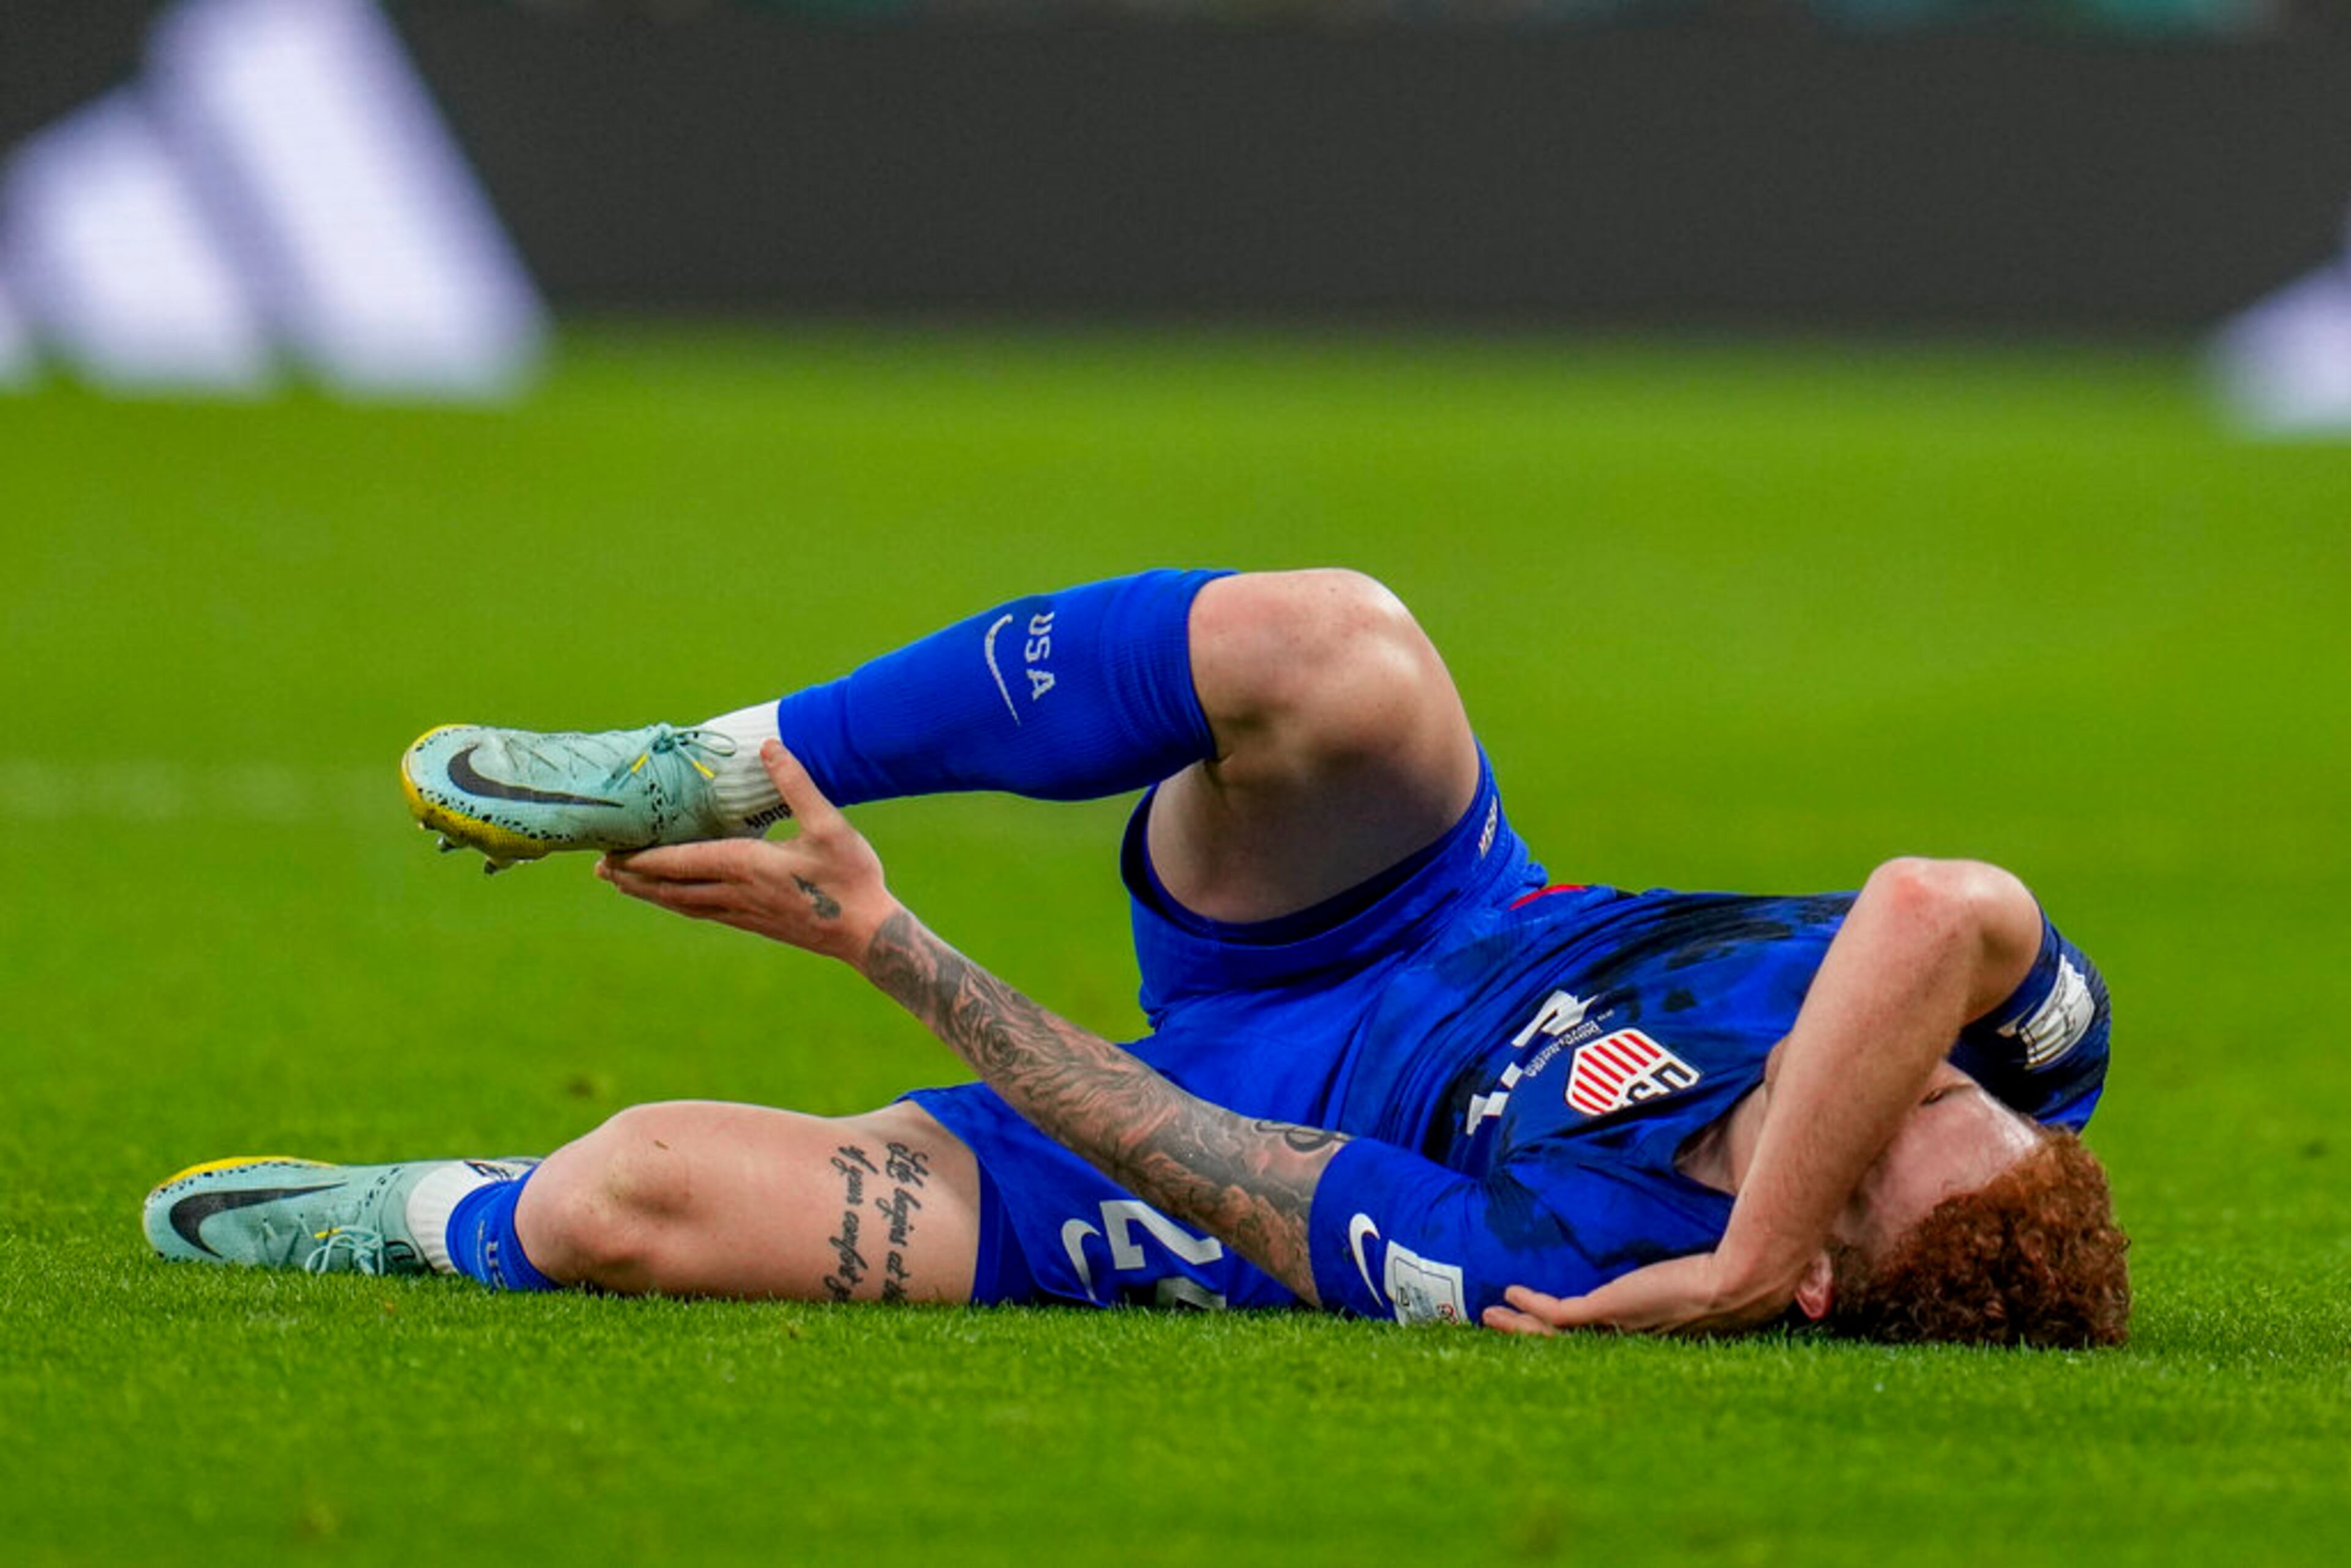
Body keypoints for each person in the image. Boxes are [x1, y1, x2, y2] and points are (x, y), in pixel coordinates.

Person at [144, 569, 2128, 1345]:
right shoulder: (2004, 1042)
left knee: (621, 1199)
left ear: (1830, 1283)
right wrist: (1763, 1233)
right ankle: (729, 755)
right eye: (1942, 1086)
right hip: (1420, 904)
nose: (1898, 1071)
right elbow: (1938, 911)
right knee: (1337, 650)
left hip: (1199, 1121)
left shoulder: (1563, 1273)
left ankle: (422, 1217)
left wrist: (893, 946)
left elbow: (1215, 1164)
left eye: (1884, 1144)